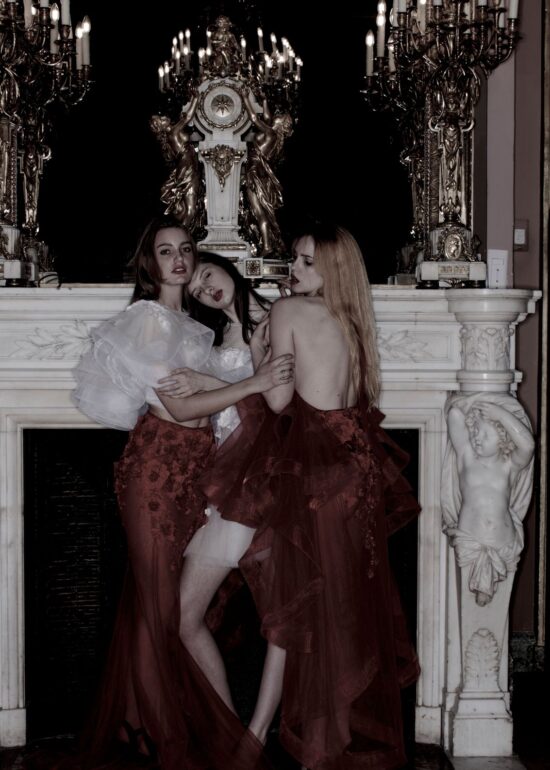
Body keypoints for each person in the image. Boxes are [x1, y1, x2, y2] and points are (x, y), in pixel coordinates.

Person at [71, 217, 291, 770]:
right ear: (150, 263)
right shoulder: (148, 320)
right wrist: (253, 383)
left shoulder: (196, 328)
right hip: (155, 469)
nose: (178, 260)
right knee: (159, 606)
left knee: (161, 606)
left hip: (194, 474)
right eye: (165, 251)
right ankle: (167, 742)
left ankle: (144, 726)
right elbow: (180, 406)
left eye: (186, 250)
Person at [201, 222, 421, 769]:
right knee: (341, 606)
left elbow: (278, 403)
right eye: (294, 259)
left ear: (332, 269)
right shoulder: (353, 320)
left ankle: (299, 744)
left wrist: (259, 351)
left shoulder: (287, 312)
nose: (292, 270)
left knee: (304, 605)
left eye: (305, 262)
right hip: (358, 467)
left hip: (318, 472)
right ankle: (329, 737)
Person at [154, 252, 286, 717]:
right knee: (185, 616)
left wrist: (205, 380)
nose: (206, 289)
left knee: (284, 617)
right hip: (224, 486)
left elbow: (279, 408)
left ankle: (255, 734)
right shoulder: (214, 336)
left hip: (261, 486)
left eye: (207, 274)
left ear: (226, 267)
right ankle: (234, 729)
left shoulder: (277, 319)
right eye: (196, 291)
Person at [442, 394, 535, 606]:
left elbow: (528, 446)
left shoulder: (509, 465)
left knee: (494, 610)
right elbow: (454, 414)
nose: (477, 437)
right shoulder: (466, 457)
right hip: (469, 541)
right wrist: (479, 402)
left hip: (503, 544)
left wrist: (499, 414)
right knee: (469, 608)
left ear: (502, 436)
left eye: (484, 433)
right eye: (474, 431)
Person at [242, 89, 293, 256]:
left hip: (255, 172)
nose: (276, 114)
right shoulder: (274, 136)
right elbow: (267, 118)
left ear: (282, 123)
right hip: (260, 173)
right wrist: (263, 100)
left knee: (259, 212)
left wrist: (245, 99)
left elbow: (254, 119)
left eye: (280, 115)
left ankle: (267, 246)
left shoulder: (270, 133)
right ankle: (269, 243)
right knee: (262, 211)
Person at [150, 89, 202, 230]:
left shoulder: (169, 138)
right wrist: (196, 98)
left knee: (188, 208)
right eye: (162, 119)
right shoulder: (174, 132)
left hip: (184, 167)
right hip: (188, 167)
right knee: (190, 210)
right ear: (163, 124)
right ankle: (182, 234)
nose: (166, 118)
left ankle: (180, 230)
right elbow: (187, 117)